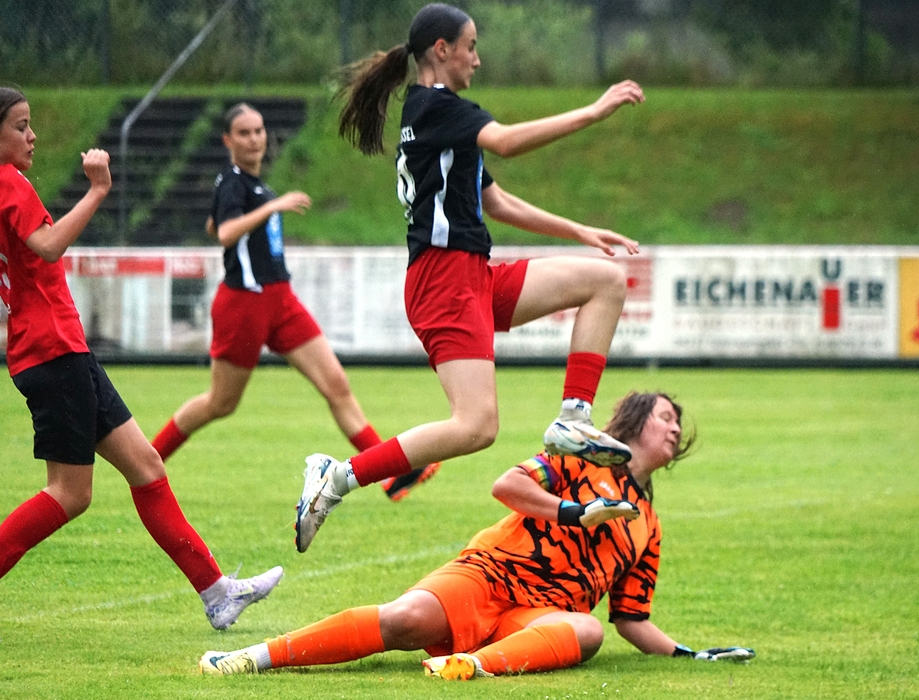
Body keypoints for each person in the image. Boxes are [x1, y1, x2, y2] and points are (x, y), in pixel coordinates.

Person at [294, 2, 646, 553]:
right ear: (442, 50)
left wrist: (578, 230)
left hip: (470, 275)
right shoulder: (436, 106)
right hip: (443, 282)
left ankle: (573, 419)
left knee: (605, 281)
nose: (477, 60)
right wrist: (594, 111)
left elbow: (495, 201)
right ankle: (337, 477)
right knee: (476, 426)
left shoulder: (439, 117)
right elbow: (506, 141)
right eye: (471, 47)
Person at [0, 86, 282, 643]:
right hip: (52, 350)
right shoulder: (6, 182)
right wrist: (98, 189)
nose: (32, 136)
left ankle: (217, 593)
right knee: (69, 492)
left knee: (146, 467)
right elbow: (48, 245)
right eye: (20, 126)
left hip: (57, 347)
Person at [199, 391, 755, 678]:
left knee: (588, 631)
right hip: (491, 574)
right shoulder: (580, 456)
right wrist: (574, 512)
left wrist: (692, 655)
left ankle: (472, 666)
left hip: (539, 615)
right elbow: (506, 485)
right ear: (634, 421)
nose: (675, 427)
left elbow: (631, 618)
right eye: (665, 416)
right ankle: (255, 656)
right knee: (405, 620)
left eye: (677, 422)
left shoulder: (649, 526)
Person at [149, 102, 438, 503]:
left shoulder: (251, 185)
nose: (254, 139)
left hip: (281, 301)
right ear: (228, 140)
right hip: (244, 303)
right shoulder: (234, 182)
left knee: (336, 385)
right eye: (244, 133)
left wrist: (258, 207)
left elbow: (214, 224)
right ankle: (148, 459)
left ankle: (392, 471)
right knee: (220, 403)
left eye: (259, 130)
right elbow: (226, 233)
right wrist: (272, 206)